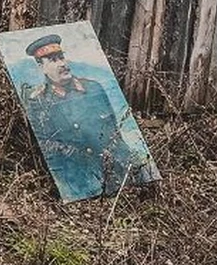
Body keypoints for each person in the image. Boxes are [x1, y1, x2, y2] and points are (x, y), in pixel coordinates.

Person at [22, 34, 154, 199]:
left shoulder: (94, 89)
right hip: (79, 180)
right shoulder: (39, 101)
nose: (62, 64)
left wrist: (137, 171)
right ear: (41, 67)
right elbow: (48, 146)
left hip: (116, 172)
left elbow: (115, 134)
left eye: (61, 57)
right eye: (54, 61)